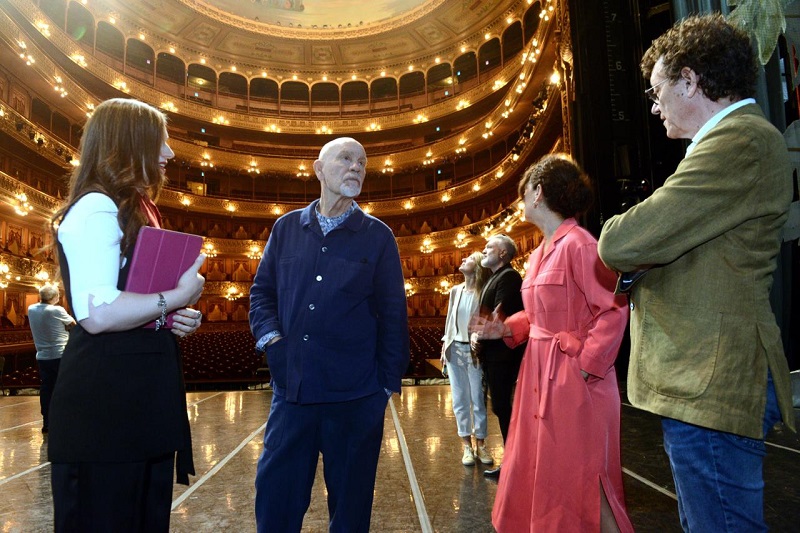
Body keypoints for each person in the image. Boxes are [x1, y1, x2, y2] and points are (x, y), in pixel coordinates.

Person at [597, 13, 796, 532]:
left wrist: (635, 244)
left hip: (712, 377)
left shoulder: (739, 140)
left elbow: (620, 242)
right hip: (702, 377)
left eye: (657, 89)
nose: (654, 104)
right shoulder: (725, 143)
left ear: (689, 80)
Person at [47, 98, 206, 532]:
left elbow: (130, 299)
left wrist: (169, 317)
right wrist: (175, 298)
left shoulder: (129, 207)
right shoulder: (96, 208)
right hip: (105, 413)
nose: (169, 152)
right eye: (160, 141)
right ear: (129, 142)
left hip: (135, 405)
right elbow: (97, 314)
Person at [249, 137, 409, 533]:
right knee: (275, 502)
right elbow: (262, 294)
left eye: (362, 163)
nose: (356, 167)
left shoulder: (379, 236)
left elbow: (393, 315)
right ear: (319, 170)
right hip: (293, 393)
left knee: (351, 512)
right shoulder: (286, 228)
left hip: (355, 400)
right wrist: (273, 343)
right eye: (346, 159)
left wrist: (384, 388)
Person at [477, 155, 633, 532]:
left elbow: (614, 310)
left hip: (574, 380)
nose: (521, 200)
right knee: (550, 476)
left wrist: (584, 368)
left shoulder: (580, 244)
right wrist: (505, 329)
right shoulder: (539, 253)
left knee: (587, 479)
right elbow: (540, 316)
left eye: (525, 191)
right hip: (539, 374)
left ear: (539, 192)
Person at [470, 234, 525, 479]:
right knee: (501, 407)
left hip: (504, 353)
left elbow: (498, 314)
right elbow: (484, 317)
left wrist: (479, 335)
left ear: (503, 253)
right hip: (493, 353)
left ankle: (515, 464)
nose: (484, 250)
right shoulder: (492, 279)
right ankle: (513, 462)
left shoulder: (509, 276)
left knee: (504, 407)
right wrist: (476, 335)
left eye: (489, 246)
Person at [440, 251, 493, 466]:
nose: (463, 260)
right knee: (459, 399)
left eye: (469, 259)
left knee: (478, 399)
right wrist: (445, 345)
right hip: (455, 349)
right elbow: (449, 321)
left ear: (478, 266)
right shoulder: (455, 290)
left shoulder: (484, 291)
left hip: (475, 351)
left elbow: (486, 320)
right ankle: (466, 446)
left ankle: (481, 444)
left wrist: (478, 337)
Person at [27, 285, 75, 434]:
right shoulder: (57, 310)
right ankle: (64, 420)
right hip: (60, 355)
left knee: (47, 388)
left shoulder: (31, 309)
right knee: (64, 387)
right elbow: (73, 325)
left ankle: (47, 421)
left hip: (42, 357)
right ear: (55, 297)